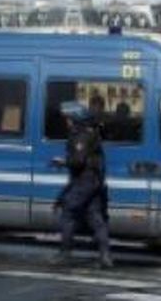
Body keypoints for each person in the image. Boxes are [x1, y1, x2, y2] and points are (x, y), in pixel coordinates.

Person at [50, 101, 112, 268]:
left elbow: (78, 161)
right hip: (95, 181)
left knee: (68, 213)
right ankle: (105, 256)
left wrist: (62, 162)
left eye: (68, 118)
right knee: (95, 218)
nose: (66, 122)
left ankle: (65, 254)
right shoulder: (91, 132)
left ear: (75, 118)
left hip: (85, 181)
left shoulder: (81, 135)